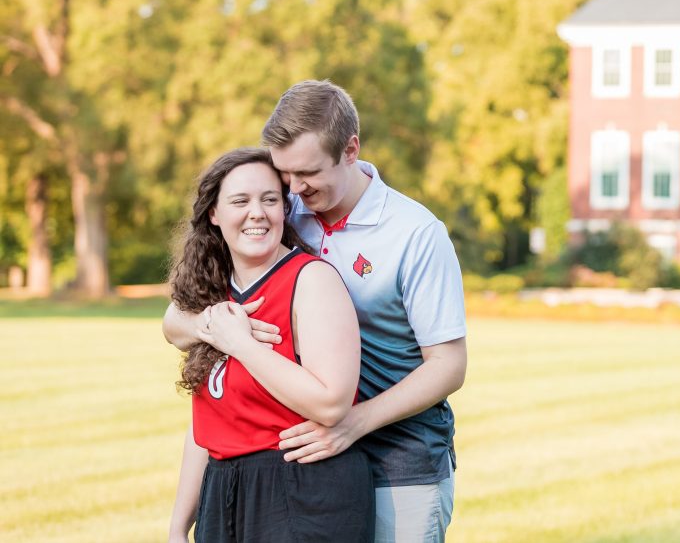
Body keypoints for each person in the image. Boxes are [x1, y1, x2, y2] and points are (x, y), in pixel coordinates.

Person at [164, 80, 468, 542]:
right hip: (309, 455)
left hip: (400, 459)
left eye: (307, 173)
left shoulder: (415, 234)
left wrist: (353, 423)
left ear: (350, 150)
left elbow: (449, 365)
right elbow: (176, 320)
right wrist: (222, 327)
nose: (293, 188)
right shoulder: (288, 212)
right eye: (284, 173)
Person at [166, 148, 374, 543]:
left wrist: (241, 345)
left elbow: (331, 403)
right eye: (240, 201)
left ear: (284, 208)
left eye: (270, 199)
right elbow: (208, 424)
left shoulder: (310, 280)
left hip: (303, 491)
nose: (257, 212)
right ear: (214, 213)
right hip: (223, 494)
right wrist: (179, 525)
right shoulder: (212, 291)